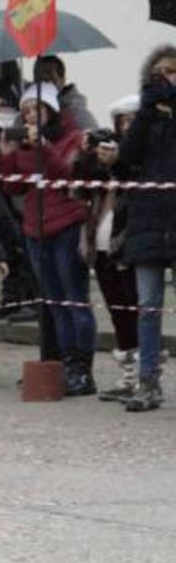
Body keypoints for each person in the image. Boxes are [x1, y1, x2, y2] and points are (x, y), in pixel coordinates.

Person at [0, 82, 96, 395]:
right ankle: (64, 363)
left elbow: (66, 174)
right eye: (26, 111)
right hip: (35, 227)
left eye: (36, 109)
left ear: (51, 110)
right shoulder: (24, 144)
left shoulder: (72, 138)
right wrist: (7, 156)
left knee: (74, 299)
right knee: (54, 302)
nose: (30, 116)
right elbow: (12, 187)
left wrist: (43, 146)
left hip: (65, 223)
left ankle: (83, 368)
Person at [114, 44, 176, 411]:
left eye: (173, 71)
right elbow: (127, 157)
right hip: (149, 219)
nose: (167, 78)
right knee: (148, 305)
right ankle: (148, 380)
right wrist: (148, 113)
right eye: (161, 72)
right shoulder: (147, 114)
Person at [78, 95, 139, 402]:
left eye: (131, 121)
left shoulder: (144, 159)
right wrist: (87, 155)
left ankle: (145, 376)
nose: (126, 128)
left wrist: (120, 163)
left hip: (130, 246)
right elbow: (80, 184)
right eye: (121, 122)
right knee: (117, 314)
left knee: (136, 311)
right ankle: (128, 376)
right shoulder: (106, 164)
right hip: (102, 246)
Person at [35, 54, 98, 132]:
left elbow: (94, 136)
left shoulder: (77, 113)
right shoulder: (29, 112)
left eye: (49, 79)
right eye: (40, 79)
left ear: (62, 79)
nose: (45, 85)